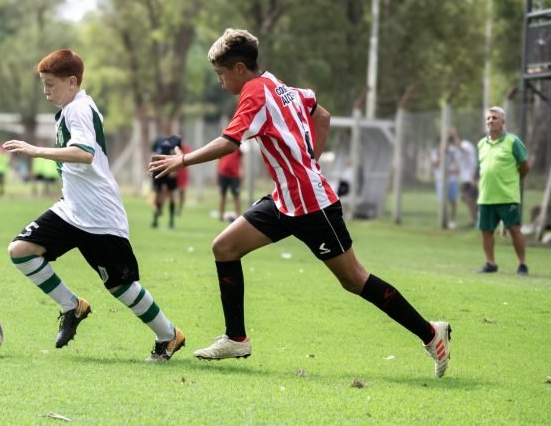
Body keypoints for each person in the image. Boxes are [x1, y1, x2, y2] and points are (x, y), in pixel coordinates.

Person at [149, 29, 451, 378]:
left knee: (354, 280)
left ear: (240, 69)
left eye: (221, 74)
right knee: (225, 247)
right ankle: (236, 338)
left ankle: (432, 334)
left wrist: (182, 161)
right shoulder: (282, 86)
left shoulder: (254, 93)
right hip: (284, 201)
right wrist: (310, 160)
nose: (220, 82)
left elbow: (230, 142)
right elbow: (321, 115)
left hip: (313, 205)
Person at [3, 49, 185, 361]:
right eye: (43, 84)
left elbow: (84, 152)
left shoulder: (78, 109)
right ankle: (72, 306)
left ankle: (169, 336)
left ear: (72, 82)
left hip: (100, 215)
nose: (45, 91)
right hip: (72, 209)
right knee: (20, 251)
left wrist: (37, 151)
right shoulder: (69, 108)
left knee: (121, 288)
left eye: (50, 84)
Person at [476, 106, 530, 275]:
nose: (490, 121)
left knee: (514, 230)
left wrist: (512, 182)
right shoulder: (481, 144)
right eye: (488, 118)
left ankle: (522, 264)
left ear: (503, 122)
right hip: (486, 196)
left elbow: (525, 166)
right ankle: (490, 263)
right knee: (486, 231)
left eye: (494, 118)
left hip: (507, 196)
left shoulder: (513, 141)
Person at [150, 133, 182, 228]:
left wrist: (175, 170)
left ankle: (171, 221)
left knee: (171, 195)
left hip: (171, 169)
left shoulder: (176, 140)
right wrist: (151, 167)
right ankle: (155, 219)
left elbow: (179, 154)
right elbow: (153, 154)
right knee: (158, 194)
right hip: (159, 169)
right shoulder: (157, 139)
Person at [430, 135, 460, 228]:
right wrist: (441, 155)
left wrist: (452, 171)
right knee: (442, 202)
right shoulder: (435, 151)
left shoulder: (453, 151)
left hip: (452, 180)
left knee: (453, 201)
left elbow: (457, 167)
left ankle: (452, 222)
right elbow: (434, 165)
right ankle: (443, 221)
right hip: (440, 180)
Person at [452, 127, 479, 227]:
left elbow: (471, 160)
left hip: (470, 178)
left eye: (455, 139)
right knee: (465, 198)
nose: (454, 142)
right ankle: (475, 219)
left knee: (469, 199)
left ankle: (477, 218)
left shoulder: (466, 145)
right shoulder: (459, 148)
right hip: (465, 178)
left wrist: (473, 176)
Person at [217, 146, 242, 222]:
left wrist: (242, 171)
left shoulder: (237, 146)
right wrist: (217, 173)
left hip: (234, 175)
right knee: (222, 195)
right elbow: (218, 160)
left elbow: (241, 160)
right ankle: (221, 216)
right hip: (223, 174)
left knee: (236, 195)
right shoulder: (222, 147)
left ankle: (238, 216)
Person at [175, 141, 191, 216]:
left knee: (182, 192)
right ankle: (174, 209)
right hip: (175, 172)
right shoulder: (175, 147)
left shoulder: (186, 148)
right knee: (174, 192)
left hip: (183, 172)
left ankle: (179, 210)